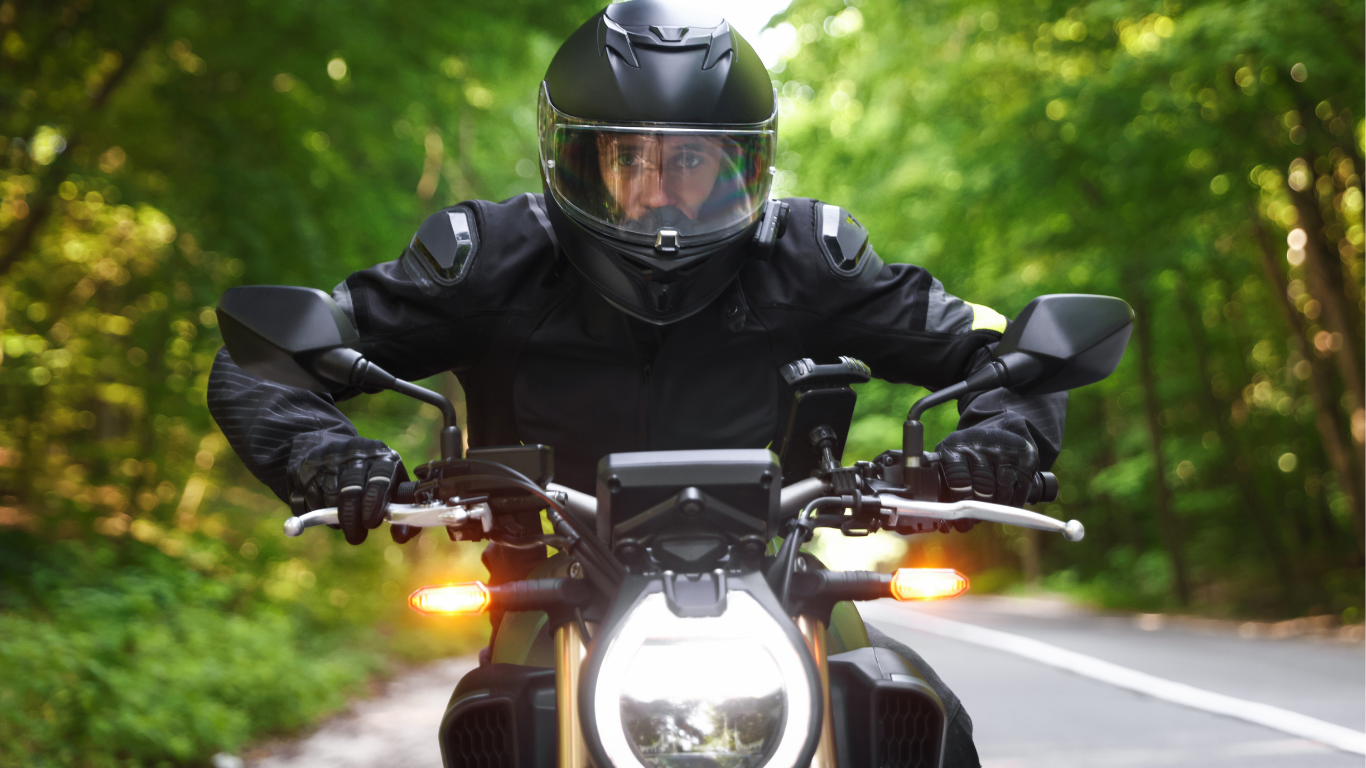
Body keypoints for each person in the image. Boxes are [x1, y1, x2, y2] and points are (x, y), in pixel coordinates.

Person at [208, 2, 1066, 765]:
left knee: (906, 708)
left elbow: (1002, 348)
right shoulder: (491, 260)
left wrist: (1000, 438)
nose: (659, 194)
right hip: (547, 591)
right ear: (575, 159)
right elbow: (269, 358)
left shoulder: (805, 258)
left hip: (773, 581)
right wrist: (329, 458)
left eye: (690, 161)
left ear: (744, 167)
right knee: (497, 723)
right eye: (629, 159)